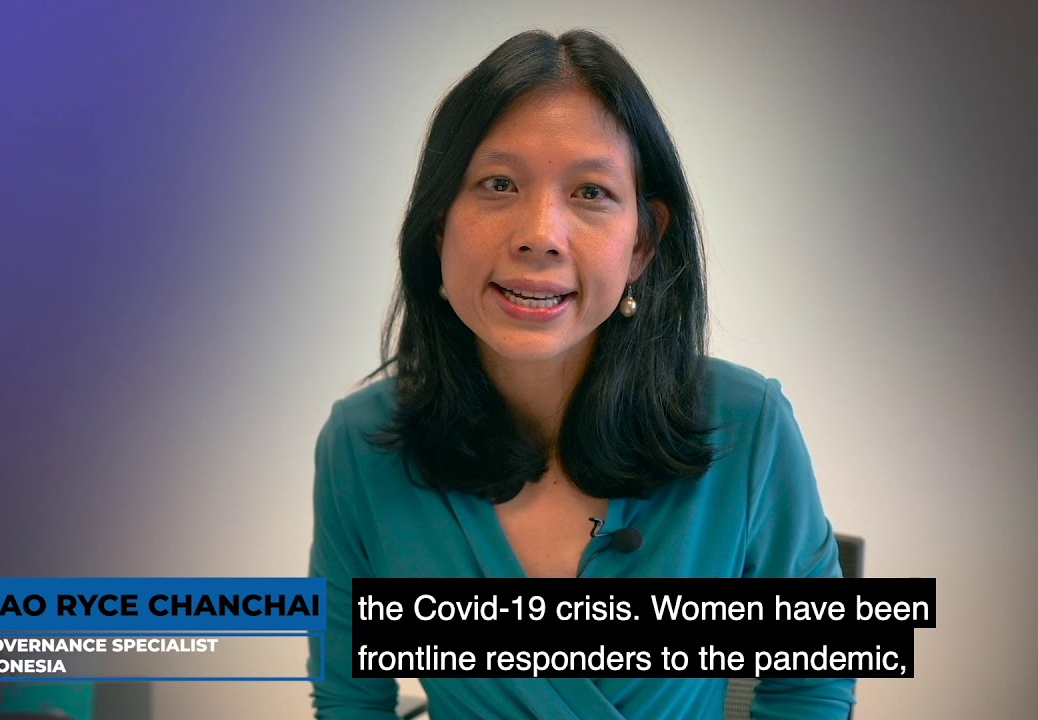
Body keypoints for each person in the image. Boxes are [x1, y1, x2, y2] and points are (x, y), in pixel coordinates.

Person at [307, 28, 856, 719]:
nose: (540, 234)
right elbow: (349, 701)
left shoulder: (750, 426)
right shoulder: (359, 445)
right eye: (498, 184)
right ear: (439, 224)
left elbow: (811, 688)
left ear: (643, 242)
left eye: (591, 191)